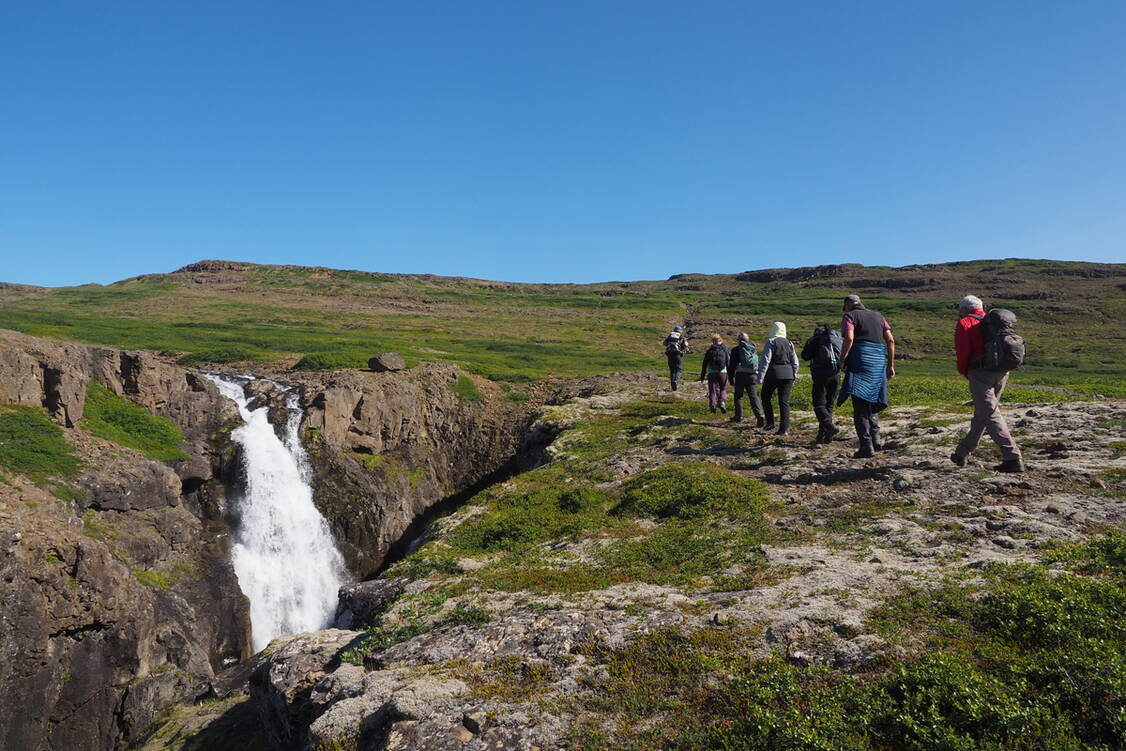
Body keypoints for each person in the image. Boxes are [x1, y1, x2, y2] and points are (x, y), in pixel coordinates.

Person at [950, 295, 1024, 472]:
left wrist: (964, 371)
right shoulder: (994, 322)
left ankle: (1012, 458)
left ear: (965, 309)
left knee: (990, 414)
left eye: (960, 311)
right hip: (1002, 372)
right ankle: (962, 452)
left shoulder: (965, 323)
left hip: (980, 372)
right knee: (984, 413)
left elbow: (963, 352)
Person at [836, 295, 895, 458]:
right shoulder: (879, 316)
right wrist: (890, 365)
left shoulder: (850, 316)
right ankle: (876, 440)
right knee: (872, 399)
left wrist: (842, 360)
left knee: (859, 404)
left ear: (848, 305)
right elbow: (890, 340)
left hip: (860, 360)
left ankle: (866, 445)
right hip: (878, 361)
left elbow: (849, 337)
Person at [801, 323, 843, 444]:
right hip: (836, 374)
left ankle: (829, 427)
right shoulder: (836, 337)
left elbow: (805, 356)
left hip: (820, 374)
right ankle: (822, 435)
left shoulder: (816, 339)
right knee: (829, 405)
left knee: (819, 405)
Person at [757, 322, 798, 435]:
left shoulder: (771, 341)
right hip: (788, 374)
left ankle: (770, 423)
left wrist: (760, 377)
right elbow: (795, 362)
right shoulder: (789, 343)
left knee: (765, 397)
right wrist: (794, 375)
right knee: (784, 401)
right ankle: (784, 428)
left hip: (773, 374)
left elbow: (766, 360)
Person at [727, 332, 764, 426]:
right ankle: (759, 415)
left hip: (740, 375)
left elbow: (732, 366)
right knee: (753, 396)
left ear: (739, 340)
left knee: (738, 396)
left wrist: (730, 378)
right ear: (748, 340)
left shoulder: (736, 350)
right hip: (752, 375)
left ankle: (738, 416)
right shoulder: (753, 348)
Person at [698, 334, 730, 413]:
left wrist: (702, 377)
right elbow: (728, 362)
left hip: (711, 373)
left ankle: (713, 405)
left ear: (713, 341)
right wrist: (731, 375)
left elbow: (704, 364)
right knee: (723, 388)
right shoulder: (725, 349)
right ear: (721, 340)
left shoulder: (710, 350)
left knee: (712, 390)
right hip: (723, 372)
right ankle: (722, 402)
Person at [662, 325, 690, 390]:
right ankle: (676, 381)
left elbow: (664, 343)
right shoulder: (681, 336)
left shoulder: (670, 335)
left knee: (672, 370)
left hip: (669, 354)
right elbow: (686, 344)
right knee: (678, 369)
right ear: (680, 331)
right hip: (677, 354)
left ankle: (672, 385)